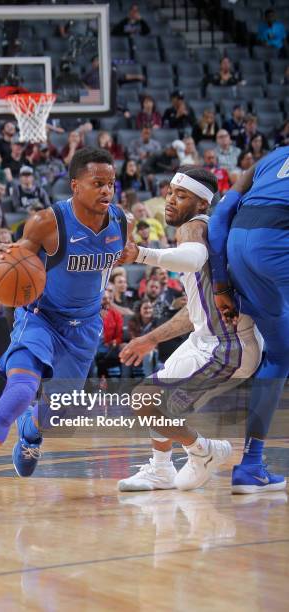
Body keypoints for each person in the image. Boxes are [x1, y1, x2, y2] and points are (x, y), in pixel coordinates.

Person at [0, 147, 133, 522]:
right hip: (39, 318)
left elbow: (126, 251)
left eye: (111, 184)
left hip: (85, 327)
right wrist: (1, 262)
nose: (107, 191)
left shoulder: (121, 222)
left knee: (59, 410)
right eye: (98, 184)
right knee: (20, 391)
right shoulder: (47, 222)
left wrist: (134, 253)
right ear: (75, 186)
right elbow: (19, 256)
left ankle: (32, 430)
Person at [117, 166, 262, 492]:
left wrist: (140, 253)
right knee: (151, 396)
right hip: (210, 339)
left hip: (227, 346)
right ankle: (162, 469)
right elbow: (195, 310)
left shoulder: (193, 228)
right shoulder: (203, 230)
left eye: (181, 196)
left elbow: (193, 258)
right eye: (170, 192)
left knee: (145, 400)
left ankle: (203, 451)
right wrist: (151, 338)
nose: (170, 200)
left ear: (201, 205)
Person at [208, 146, 289, 493]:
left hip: (238, 246)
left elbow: (221, 213)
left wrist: (220, 282)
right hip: (279, 240)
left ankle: (251, 465)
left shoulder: (273, 156)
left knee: (281, 355)